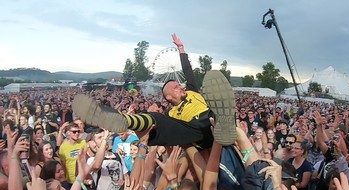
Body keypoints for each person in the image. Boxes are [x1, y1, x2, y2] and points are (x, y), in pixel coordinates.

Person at [72, 34, 236, 147]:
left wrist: (181, 49)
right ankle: (123, 120)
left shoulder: (193, 91)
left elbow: (188, 71)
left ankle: (224, 122)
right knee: (156, 119)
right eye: (175, 87)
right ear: (169, 97)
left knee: (216, 109)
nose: (180, 86)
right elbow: (157, 126)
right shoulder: (171, 114)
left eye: (179, 85)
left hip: (210, 120)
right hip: (194, 132)